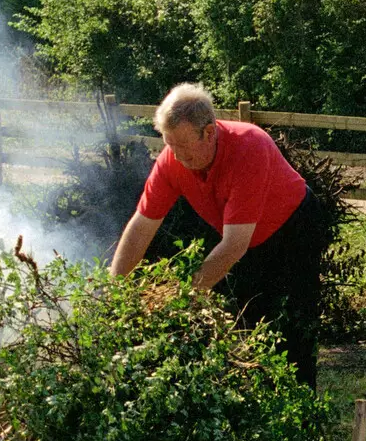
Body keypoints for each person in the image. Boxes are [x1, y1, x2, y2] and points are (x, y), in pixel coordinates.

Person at [110, 83, 323, 387]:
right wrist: (114, 291)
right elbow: (141, 227)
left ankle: (301, 413)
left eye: (182, 145)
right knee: (249, 323)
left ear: (209, 132)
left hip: (295, 229)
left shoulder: (249, 146)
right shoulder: (172, 161)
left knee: (294, 330)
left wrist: (181, 298)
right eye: (169, 145)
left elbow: (234, 245)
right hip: (245, 236)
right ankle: (259, 402)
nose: (176, 155)